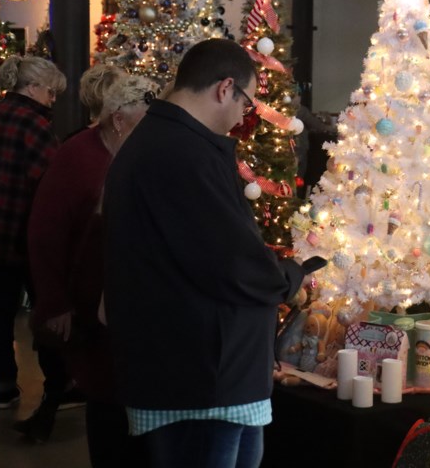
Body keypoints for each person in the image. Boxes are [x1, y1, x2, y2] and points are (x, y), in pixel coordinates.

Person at [104, 39, 306, 468]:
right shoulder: (181, 152)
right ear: (224, 88)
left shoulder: (167, 142)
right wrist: (290, 276)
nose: (242, 117)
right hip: (199, 381)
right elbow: (231, 261)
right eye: (246, 103)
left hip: (212, 377)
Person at [27, 74, 156, 458]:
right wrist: (54, 303)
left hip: (123, 302)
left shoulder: (136, 156)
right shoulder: (78, 155)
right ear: (119, 119)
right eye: (143, 122)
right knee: (104, 397)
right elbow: (44, 233)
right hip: (85, 303)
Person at [0, 55, 67, 413]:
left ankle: (4, 387)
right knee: (47, 309)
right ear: (33, 87)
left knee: (0, 313)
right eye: (51, 92)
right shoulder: (34, 126)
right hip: (26, 234)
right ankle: (57, 384)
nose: (52, 100)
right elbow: (52, 185)